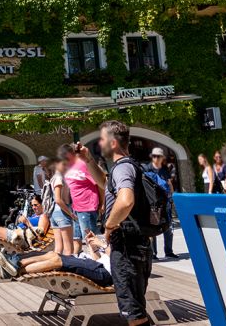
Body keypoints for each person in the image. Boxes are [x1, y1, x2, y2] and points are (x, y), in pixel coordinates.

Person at [90, 120, 152, 326]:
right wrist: (87, 160)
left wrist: (109, 225)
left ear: (114, 143)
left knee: (134, 315)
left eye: (102, 139)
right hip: (136, 245)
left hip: (126, 247)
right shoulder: (127, 166)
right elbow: (106, 184)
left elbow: (126, 201)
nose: (100, 143)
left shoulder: (122, 169)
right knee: (135, 307)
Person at [0, 235, 112, 287]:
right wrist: (93, 247)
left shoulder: (125, 247)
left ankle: (15, 266)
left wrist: (102, 244)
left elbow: (116, 260)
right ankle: (15, 265)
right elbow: (100, 258)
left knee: (57, 261)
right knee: (53, 254)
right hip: (96, 265)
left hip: (104, 273)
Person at [59, 142, 101, 252]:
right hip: (75, 207)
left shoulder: (83, 165)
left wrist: (103, 204)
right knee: (76, 238)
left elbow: (99, 183)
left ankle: (96, 264)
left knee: (90, 240)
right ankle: (76, 258)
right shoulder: (69, 167)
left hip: (87, 206)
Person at [144, 148, 176, 260]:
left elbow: (169, 183)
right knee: (153, 227)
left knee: (168, 227)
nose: (156, 158)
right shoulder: (146, 169)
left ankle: (169, 251)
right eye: (155, 156)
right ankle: (153, 253)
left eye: (159, 156)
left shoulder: (164, 170)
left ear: (162, 158)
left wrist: (172, 196)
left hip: (166, 202)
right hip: (153, 204)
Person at [49, 157, 76, 256]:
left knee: (58, 248)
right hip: (62, 211)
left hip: (54, 212)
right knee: (69, 249)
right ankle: (69, 270)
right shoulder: (59, 177)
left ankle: (55, 268)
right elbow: (58, 199)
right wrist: (71, 214)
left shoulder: (53, 177)